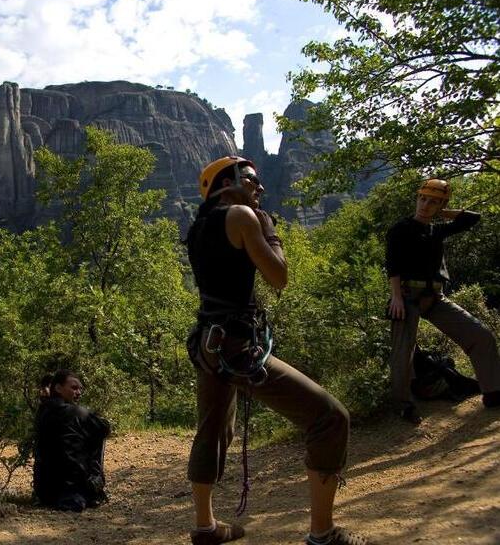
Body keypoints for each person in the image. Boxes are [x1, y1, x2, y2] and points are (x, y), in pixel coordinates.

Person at [185, 156, 371, 545]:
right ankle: (323, 534)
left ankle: (206, 527)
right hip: (238, 347)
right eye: (251, 179)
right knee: (329, 417)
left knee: (213, 429)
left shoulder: (199, 225)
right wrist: (269, 228)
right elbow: (279, 276)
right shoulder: (241, 216)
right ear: (228, 182)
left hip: (209, 344)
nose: (260, 188)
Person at [386, 178, 500, 424]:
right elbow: (392, 265)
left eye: (433, 202)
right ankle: (403, 406)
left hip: (435, 297)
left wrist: (443, 208)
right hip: (406, 297)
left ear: (441, 206)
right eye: (423, 198)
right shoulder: (400, 229)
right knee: (402, 354)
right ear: (416, 199)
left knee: (481, 336)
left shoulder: (437, 230)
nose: (425, 205)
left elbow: (472, 217)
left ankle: (493, 393)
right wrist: (395, 297)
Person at [33, 369, 110, 512]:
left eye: (80, 389)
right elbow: (104, 428)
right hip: (73, 491)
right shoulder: (77, 413)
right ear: (58, 388)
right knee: (98, 432)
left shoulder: (42, 412)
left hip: (44, 492)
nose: (79, 392)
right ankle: (94, 489)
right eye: (74, 388)